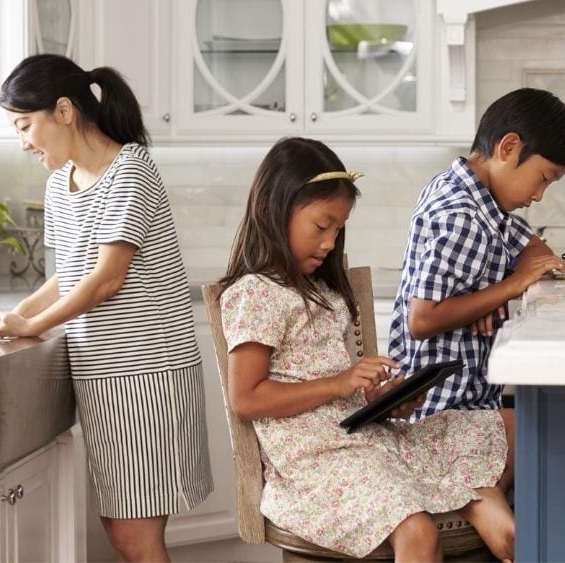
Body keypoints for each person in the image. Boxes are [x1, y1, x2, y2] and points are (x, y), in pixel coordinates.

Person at [217, 137, 516, 562]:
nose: (329, 242)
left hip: (364, 437)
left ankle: (483, 509)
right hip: (317, 461)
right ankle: (480, 508)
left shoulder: (322, 291)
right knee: (418, 532)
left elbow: (336, 389)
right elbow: (246, 399)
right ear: (273, 210)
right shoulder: (256, 294)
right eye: (321, 226)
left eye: (338, 229)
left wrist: (380, 399)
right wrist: (340, 384)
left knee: (508, 425)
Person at [0, 54, 213, 562]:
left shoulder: (131, 169)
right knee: (121, 525)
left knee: (133, 534)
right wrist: (16, 317)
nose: (22, 142)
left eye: (25, 125)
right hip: (102, 374)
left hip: (147, 375)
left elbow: (106, 279)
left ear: (63, 110)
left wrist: (34, 324)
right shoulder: (59, 184)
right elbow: (70, 271)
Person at [389, 87, 565, 424]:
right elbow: (422, 320)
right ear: (508, 147)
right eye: (543, 179)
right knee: (553, 428)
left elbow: (539, 252)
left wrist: (488, 296)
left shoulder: (479, 200)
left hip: (469, 404)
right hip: (440, 414)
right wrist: (510, 287)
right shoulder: (462, 215)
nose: (538, 195)